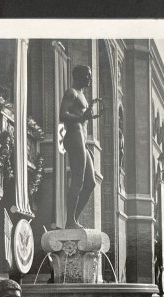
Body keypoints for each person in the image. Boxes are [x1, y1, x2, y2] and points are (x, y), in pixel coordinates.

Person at [59, 65, 101, 229]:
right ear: (79, 76)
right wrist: (81, 117)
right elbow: (62, 115)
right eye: (87, 75)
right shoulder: (72, 93)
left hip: (82, 141)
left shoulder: (82, 95)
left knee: (90, 183)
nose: (89, 78)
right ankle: (70, 221)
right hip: (73, 137)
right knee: (78, 179)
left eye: (90, 75)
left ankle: (73, 220)